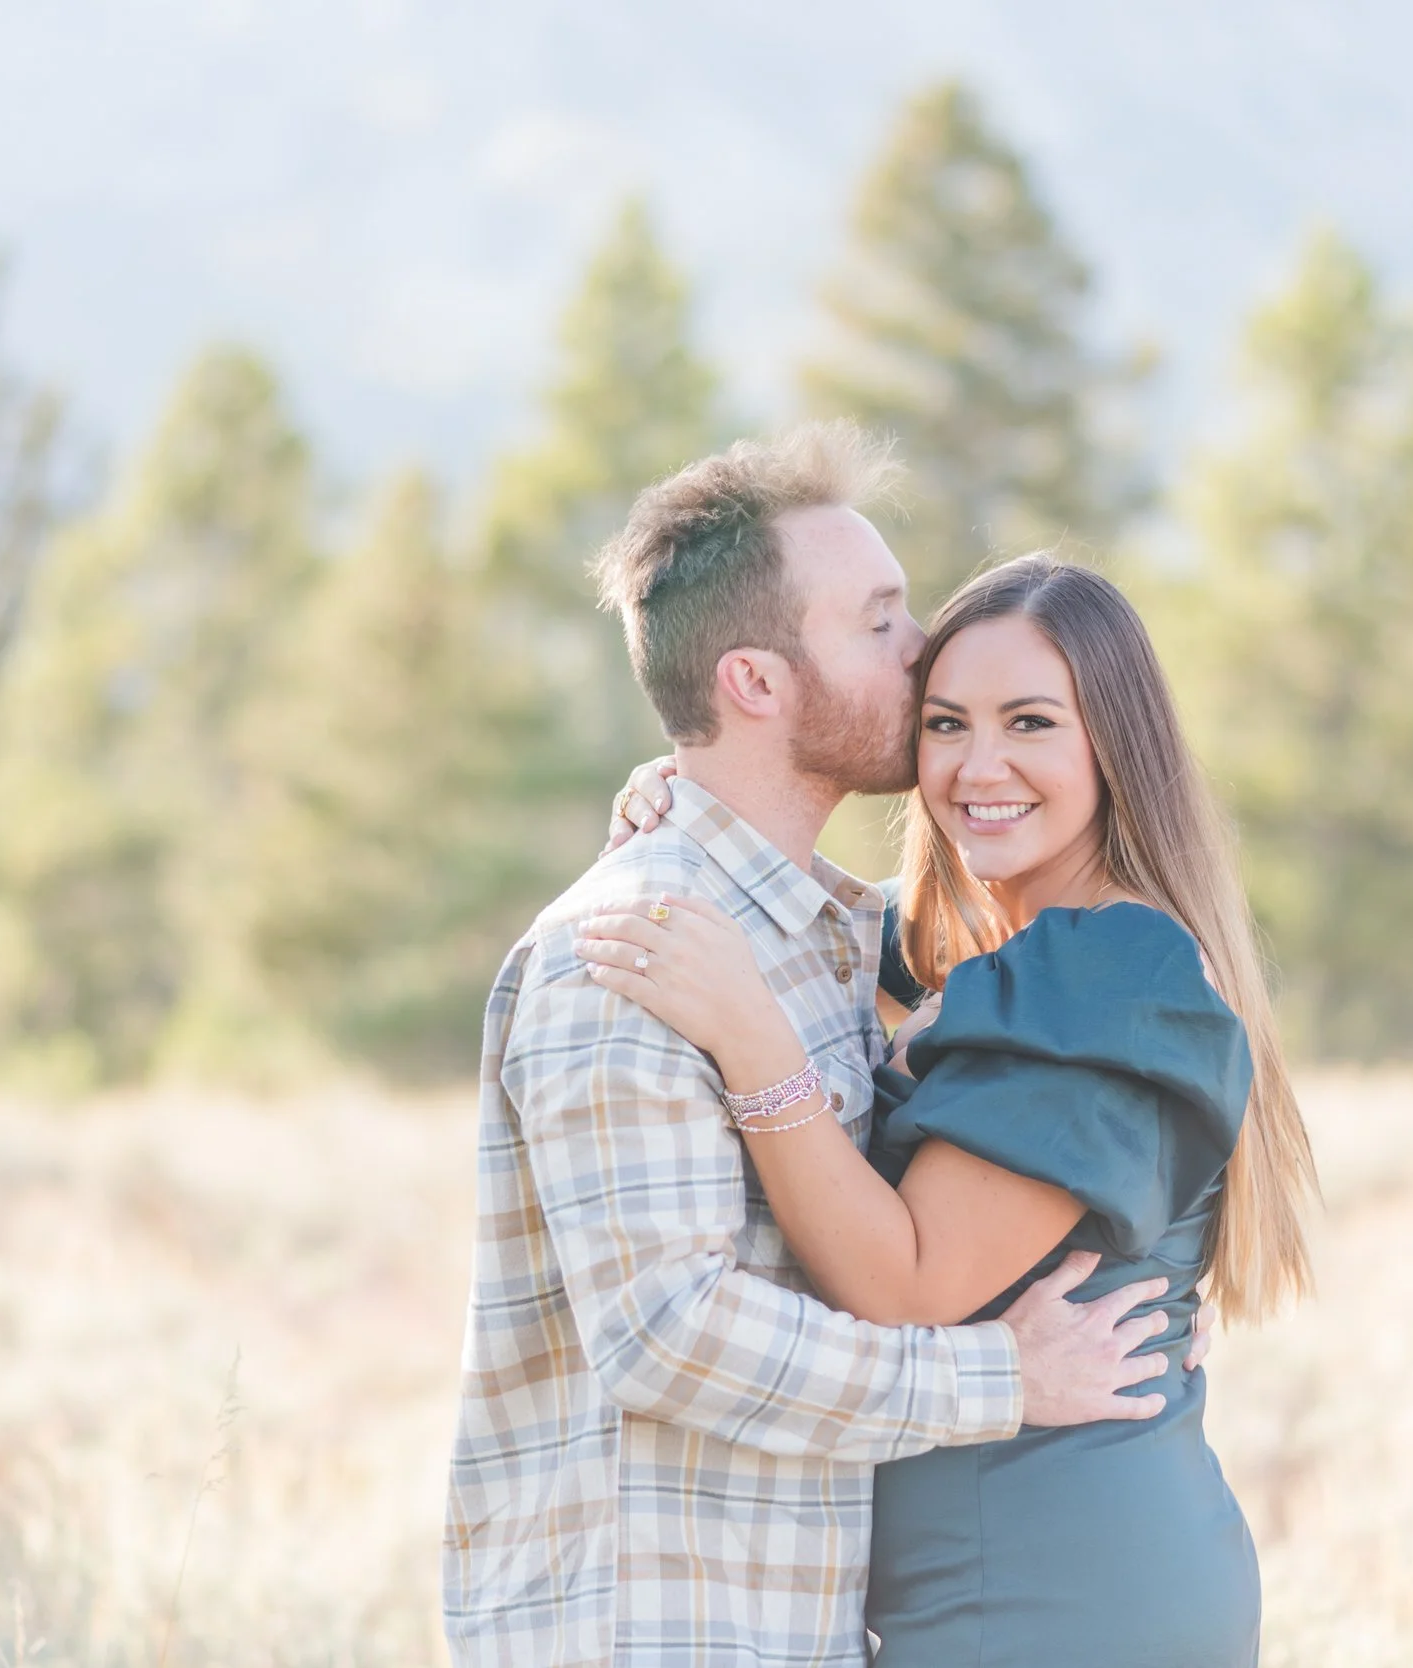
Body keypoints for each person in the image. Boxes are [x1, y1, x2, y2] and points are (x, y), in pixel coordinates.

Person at [444, 427, 1199, 1668]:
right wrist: (999, 1380)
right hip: (656, 1631)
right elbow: (666, 1331)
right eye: (882, 622)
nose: (925, 650)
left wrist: (1151, 1276)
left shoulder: (832, 941)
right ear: (755, 681)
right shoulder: (633, 952)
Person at [578, 554, 1320, 1666]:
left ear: (1114, 745)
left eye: (1030, 723)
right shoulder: (990, 955)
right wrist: (685, 794)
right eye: (944, 724)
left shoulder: (1104, 969)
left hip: (1052, 1588)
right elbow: (810, 919)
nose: (979, 767)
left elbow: (903, 1285)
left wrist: (752, 1043)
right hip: (1003, 1574)